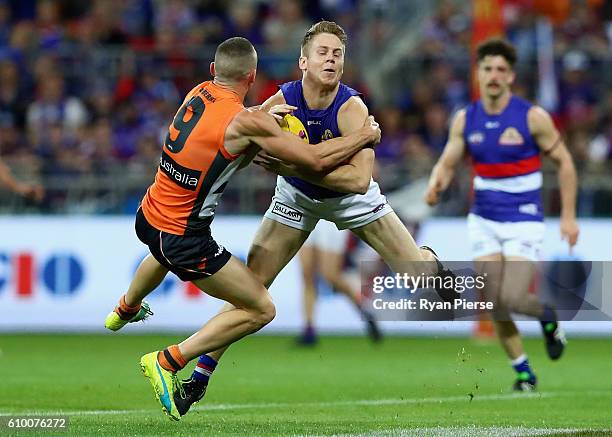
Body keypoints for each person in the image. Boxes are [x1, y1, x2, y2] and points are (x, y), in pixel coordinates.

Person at [172, 21, 450, 416]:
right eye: (322, 52)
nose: (331, 59)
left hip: (350, 203)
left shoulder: (353, 109)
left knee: (419, 276)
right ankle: (198, 380)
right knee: (249, 290)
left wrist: (294, 165)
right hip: (296, 199)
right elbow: (246, 145)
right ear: (303, 60)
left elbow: (357, 181)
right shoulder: (280, 102)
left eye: (337, 54)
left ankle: (430, 260)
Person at [104, 36, 381, 421]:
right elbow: (315, 161)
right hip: (183, 237)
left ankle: (124, 309)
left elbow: (226, 128)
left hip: (148, 214)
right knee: (260, 308)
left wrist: (260, 120)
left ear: (214, 70)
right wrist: (364, 135)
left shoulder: (198, 94)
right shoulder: (248, 121)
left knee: (160, 253)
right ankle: (168, 361)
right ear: (252, 76)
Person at [425, 38, 580, 391]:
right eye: (487, 69)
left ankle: (546, 315)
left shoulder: (532, 117)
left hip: (523, 219)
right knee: (493, 300)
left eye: (501, 70)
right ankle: (524, 373)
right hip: (483, 220)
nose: (494, 75)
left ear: (511, 77)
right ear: (478, 74)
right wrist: (437, 183)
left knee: (511, 297)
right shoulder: (466, 119)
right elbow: (448, 161)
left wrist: (569, 216)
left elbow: (566, 164)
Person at [297, 221, 381, 345]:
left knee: (330, 275)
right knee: (307, 275)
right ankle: (309, 331)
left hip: (329, 219)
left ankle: (364, 309)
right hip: (305, 213)